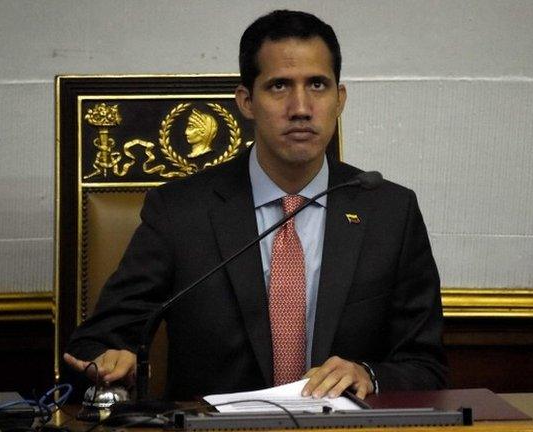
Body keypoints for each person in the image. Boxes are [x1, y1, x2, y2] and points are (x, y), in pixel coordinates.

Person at [64, 9, 447, 401]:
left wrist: (368, 374)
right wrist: (109, 360)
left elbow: (426, 366)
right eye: (279, 86)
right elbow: (96, 341)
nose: (301, 107)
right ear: (246, 101)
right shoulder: (180, 213)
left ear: (340, 99)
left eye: (317, 85)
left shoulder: (390, 213)